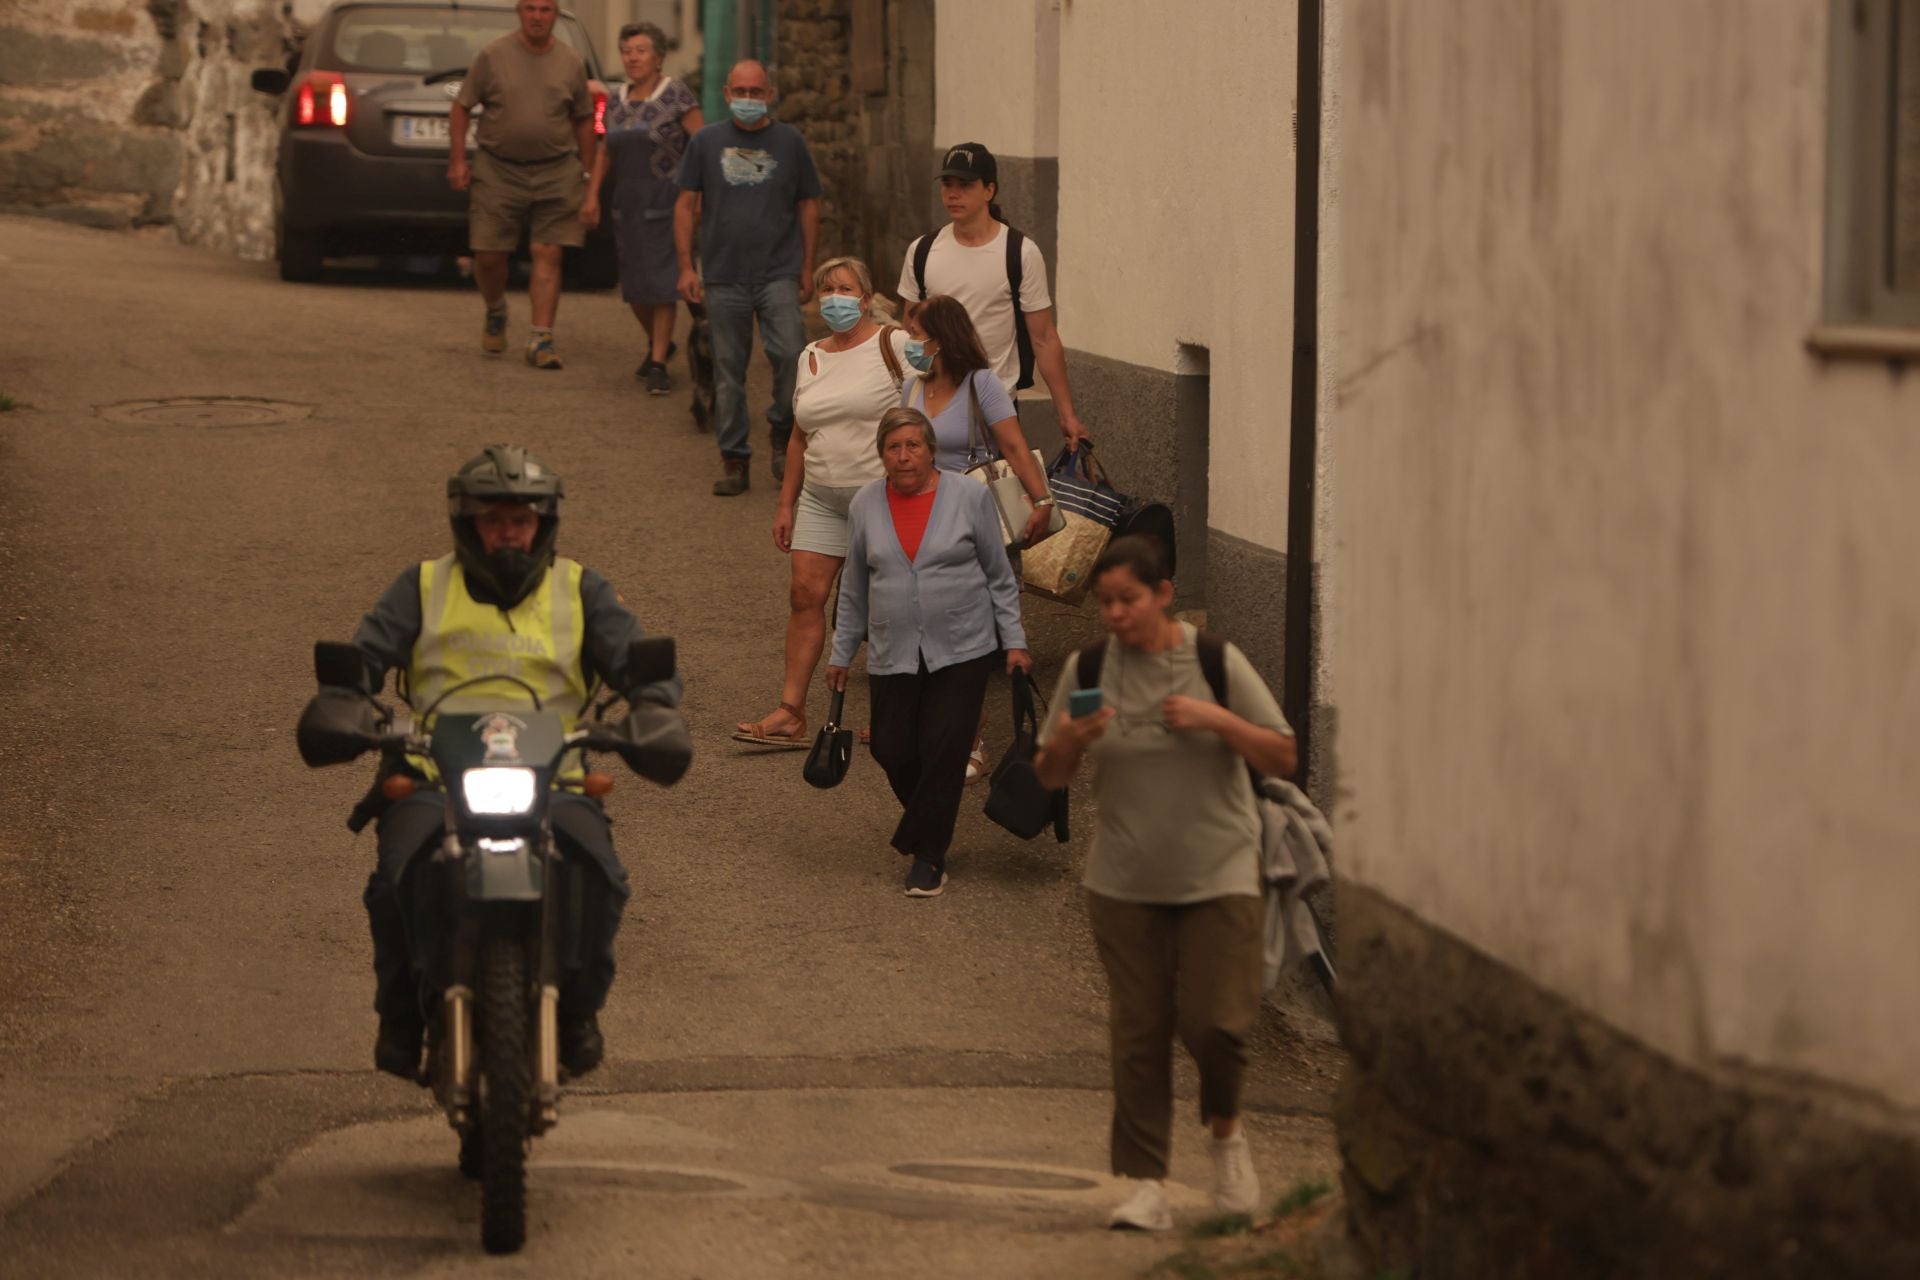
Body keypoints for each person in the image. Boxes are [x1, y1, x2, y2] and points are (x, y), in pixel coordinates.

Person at [343, 445, 684, 1081]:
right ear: (468, 523)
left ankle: (579, 1010)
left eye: (520, 520)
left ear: (542, 524)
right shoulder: (422, 586)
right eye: (494, 519)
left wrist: (655, 708)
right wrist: (344, 698)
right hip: (434, 777)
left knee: (602, 876)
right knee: (394, 879)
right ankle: (400, 1018)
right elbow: (365, 655)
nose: (508, 531)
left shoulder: (581, 589)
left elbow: (636, 659)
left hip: (552, 777)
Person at [1033, 536, 1297, 1231]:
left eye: (1129, 600)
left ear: (1165, 594)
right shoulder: (1091, 667)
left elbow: (1285, 755)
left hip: (1220, 873)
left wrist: (1215, 718)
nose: (1115, 615)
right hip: (1123, 880)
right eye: (1106, 603)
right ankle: (1147, 1183)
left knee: (1215, 1024)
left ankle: (1226, 1139)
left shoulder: (1214, 662)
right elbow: (1049, 775)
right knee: (1139, 1033)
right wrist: (1069, 739)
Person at [826, 408, 1031, 897]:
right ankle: (928, 826)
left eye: (913, 446)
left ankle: (928, 856)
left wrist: (1016, 641)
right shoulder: (865, 504)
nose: (903, 457)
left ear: (931, 449)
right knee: (891, 746)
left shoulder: (970, 497)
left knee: (943, 750)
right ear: (881, 455)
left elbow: (1001, 577)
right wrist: (840, 652)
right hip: (893, 646)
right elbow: (853, 588)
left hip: (963, 645)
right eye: (893, 448)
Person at [734, 257, 908, 747]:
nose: (835, 297)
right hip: (820, 497)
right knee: (805, 597)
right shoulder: (810, 354)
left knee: (886, 607)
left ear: (867, 297)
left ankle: (895, 715)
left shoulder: (893, 345)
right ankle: (790, 712)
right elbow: (798, 437)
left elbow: (936, 400)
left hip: (881, 498)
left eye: (846, 288)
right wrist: (786, 504)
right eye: (827, 288)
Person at [900, 292, 1058, 781]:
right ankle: (936, 730)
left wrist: (1042, 500)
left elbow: (1012, 443)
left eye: (917, 334)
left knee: (964, 637)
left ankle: (970, 739)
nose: (910, 343)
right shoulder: (910, 387)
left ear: (941, 339)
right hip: (915, 521)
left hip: (970, 521)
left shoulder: (980, 384)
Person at [675, 59, 821, 496]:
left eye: (756, 92)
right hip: (722, 275)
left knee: (791, 355)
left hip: (778, 271)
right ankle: (734, 458)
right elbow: (685, 205)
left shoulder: (790, 142)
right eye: (740, 91)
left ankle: (781, 429)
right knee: (727, 370)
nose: (748, 100)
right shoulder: (705, 142)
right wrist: (686, 265)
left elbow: (808, 204)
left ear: (770, 94)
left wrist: (808, 266)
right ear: (726, 94)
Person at [897, 143, 1092, 448]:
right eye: (948, 184)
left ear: (989, 190)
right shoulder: (922, 250)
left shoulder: (1019, 252)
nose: (953, 193)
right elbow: (910, 330)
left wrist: (1066, 415)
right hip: (932, 401)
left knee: (993, 493)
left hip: (994, 405)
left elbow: (1043, 337)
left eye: (965, 185)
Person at [448, 0, 597, 371]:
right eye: (530, 8)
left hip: (556, 169)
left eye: (545, 9)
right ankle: (496, 309)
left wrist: (588, 176)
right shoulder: (493, 55)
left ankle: (540, 338)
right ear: (519, 12)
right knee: (488, 254)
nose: (537, 16)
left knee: (548, 251)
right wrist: (457, 161)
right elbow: (461, 107)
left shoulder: (571, 62)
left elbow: (583, 120)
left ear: (555, 14)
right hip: (498, 168)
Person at [581, 22, 703, 395]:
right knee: (634, 286)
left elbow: (702, 145)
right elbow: (605, 150)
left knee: (663, 283)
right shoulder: (616, 98)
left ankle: (657, 362)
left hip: (668, 199)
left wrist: (698, 195)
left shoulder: (677, 95)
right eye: (627, 51)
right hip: (627, 201)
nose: (632, 58)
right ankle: (660, 343)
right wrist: (591, 195)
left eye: (641, 50)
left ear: (659, 56)